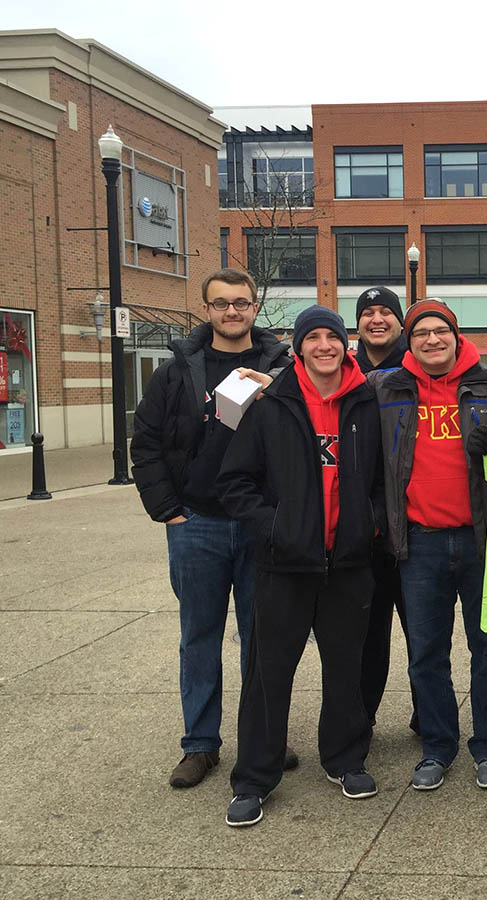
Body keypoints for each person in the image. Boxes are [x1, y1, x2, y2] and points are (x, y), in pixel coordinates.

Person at [217, 305, 384, 827]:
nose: (324, 347)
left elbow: (382, 478)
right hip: (285, 566)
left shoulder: (366, 403)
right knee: (269, 674)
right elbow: (235, 482)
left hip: (348, 563)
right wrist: (275, 529)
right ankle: (254, 778)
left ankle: (344, 759)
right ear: (299, 347)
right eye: (312, 338)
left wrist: (369, 523)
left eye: (331, 337)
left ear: (345, 344)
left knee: (346, 668)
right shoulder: (273, 404)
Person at [130, 267, 295, 789]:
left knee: (261, 638)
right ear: (207, 309)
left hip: (258, 525)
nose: (231, 311)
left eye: (241, 303)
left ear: (254, 308)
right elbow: (146, 444)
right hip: (196, 522)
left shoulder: (283, 367)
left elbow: (310, 431)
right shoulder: (177, 371)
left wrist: (280, 395)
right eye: (221, 303)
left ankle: (260, 739)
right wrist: (169, 511)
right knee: (199, 636)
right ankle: (200, 745)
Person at [372, 299, 487, 791]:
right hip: (420, 544)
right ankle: (437, 747)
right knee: (426, 654)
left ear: (457, 335)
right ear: (408, 342)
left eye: (441, 331)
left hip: (480, 543)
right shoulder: (386, 387)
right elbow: (319, 379)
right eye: (421, 333)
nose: (432, 340)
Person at [352, 286, 417, 734]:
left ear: (399, 322)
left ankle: (427, 714)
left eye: (385, 312)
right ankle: (361, 718)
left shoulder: (420, 367)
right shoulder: (337, 368)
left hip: (413, 527)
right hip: (361, 530)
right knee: (367, 636)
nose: (377, 319)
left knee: (423, 636)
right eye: (368, 313)